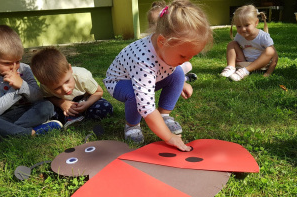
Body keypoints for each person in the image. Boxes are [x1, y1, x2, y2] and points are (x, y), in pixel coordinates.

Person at [103, 0, 213, 151]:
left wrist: (181, 82)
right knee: (135, 96)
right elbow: (146, 107)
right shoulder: (143, 61)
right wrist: (169, 137)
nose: (187, 60)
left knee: (178, 74)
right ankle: (132, 125)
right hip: (119, 82)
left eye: (191, 56)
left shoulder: (165, 48)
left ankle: (163, 115)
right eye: (183, 56)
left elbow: (171, 68)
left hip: (147, 77)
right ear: (162, 41)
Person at [0, 25, 62, 139]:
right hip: (1, 117)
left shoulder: (25, 69)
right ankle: (30, 133)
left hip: (25, 114)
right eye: (7, 63)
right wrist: (15, 90)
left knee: (47, 106)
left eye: (17, 61)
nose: (14, 68)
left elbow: (38, 97)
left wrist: (21, 85)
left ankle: (7, 133)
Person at [31, 48, 113, 130]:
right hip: (64, 108)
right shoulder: (45, 86)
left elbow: (99, 92)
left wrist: (87, 104)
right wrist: (62, 103)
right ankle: (73, 118)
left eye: (67, 81)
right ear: (45, 84)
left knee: (105, 107)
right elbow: (48, 98)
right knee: (45, 110)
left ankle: (74, 118)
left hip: (86, 102)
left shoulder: (83, 76)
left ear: (70, 69)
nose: (65, 89)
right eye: (57, 88)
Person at [220, 5, 278, 81]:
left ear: (256, 22)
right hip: (245, 62)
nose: (243, 29)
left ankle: (245, 71)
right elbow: (235, 49)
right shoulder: (239, 36)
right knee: (232, 44)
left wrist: (268, 73)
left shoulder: (263, 37)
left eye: (247, 25)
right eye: (239, 26)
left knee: (270, 50)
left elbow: (275, 56)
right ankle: (231, 67)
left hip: (261, 65)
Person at [147, 0, 198, 83]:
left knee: (187, 65)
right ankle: (184, 79)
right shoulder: (149, 41)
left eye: (159, 22)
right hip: (155, 71)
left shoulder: (170, 37)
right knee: (175, 73)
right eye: (153, 23)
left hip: (169, 67)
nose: (156, 26)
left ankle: (182, 78)